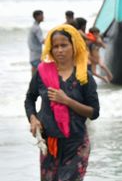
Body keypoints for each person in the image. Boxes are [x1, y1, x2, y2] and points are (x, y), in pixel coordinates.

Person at [24, 24, 100, 180]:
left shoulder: (84, 77)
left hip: (76, 144)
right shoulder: (42, 72)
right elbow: (30, 99)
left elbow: (94, 113)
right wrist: (33, 118)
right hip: (50, 143)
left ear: (74, 46)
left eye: (64, 45)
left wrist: (66, 100)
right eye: (55, 46)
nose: (59, 50)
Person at [28, 10, 44, 75]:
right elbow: (42, 41)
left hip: (33, 55)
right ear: (37, 16)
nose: (43, 17)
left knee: (34, 73)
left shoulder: (33, 27)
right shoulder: (37, 28)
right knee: (38, 75)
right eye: (42, 15)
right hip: (36, 55)